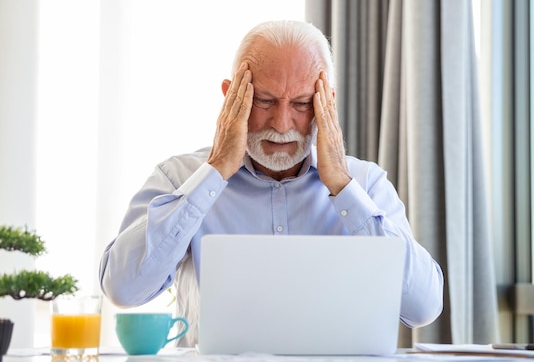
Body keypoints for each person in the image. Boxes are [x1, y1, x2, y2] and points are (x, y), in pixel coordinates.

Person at [99, 20, 444, 346]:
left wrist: (342, 185)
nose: (282, 124)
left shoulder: (366, 184)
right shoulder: (179, 178)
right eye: (264, 101)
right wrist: (216, 169)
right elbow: (123, 289)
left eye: (302, 104)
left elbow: (423, 308)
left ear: (328, 104)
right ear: (230, 96)